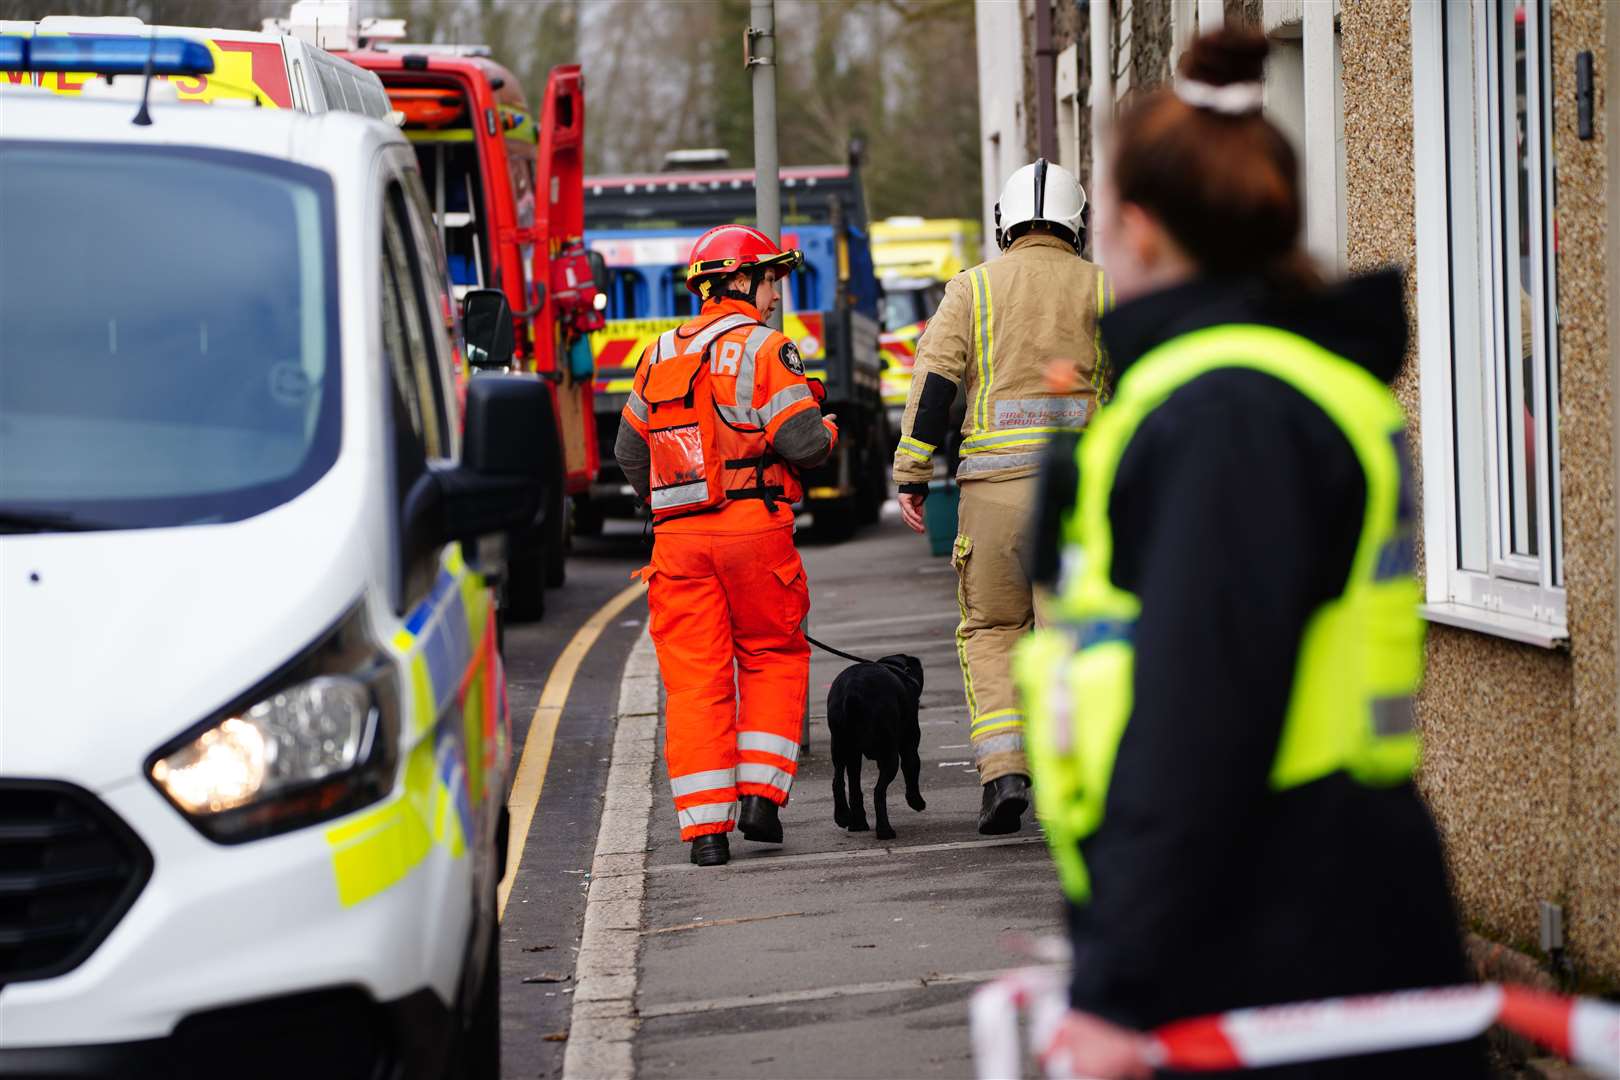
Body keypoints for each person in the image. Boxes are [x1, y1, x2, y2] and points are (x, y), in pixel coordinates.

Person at [1019, 29, 1486, 1078]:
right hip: (1293, 908)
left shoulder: (1225, 410)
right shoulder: (1254, 385)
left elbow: (1197, 712)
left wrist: (1116, 988)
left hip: (1272, 930)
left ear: (1139, 232)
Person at [891, 158, 1110, 835]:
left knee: (993, 630)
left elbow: (935, 383)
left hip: (993, 497)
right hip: (1079, 494)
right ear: (1077, 222)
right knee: (1074, 633)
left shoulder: (972, 290)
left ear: (1003, 222)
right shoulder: (1103, 287)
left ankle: (1005, 773)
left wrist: (912, 472)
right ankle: (1082, 783)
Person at [615, 224, 838, 868]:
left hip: (678, 542)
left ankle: (706, 834)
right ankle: (761, 798)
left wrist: (671, 502)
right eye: (771, 281)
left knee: (693, 683)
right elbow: (803, 446)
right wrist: (827, 431)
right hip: (754, 532)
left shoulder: (658, 354)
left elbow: (631, 452)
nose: (776, 296)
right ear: (742, 281)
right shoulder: (769, 350)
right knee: (770, 655)